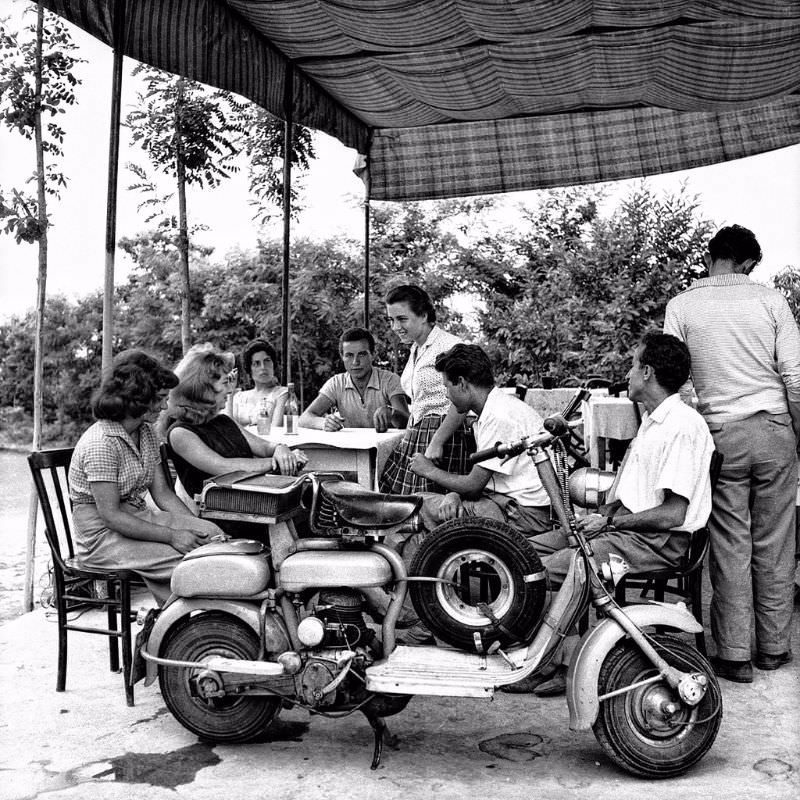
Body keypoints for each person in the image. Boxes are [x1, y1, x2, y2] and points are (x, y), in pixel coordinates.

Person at [526, 332, 714, 695]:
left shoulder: (682, 426)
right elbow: (631, 492)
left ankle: (556, 663)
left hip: (658, 541)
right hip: (630, 530)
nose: (626, 373)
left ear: (647, 372)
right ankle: (554, 655)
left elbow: (673, 514)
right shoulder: (653, 419)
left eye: (631, 365)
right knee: (526, 552)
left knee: (547, 570)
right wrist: (599, 518)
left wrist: (609, 522)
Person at [664, 225, 800, 683]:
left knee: (729, 544)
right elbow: (796, 377)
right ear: (748, 264)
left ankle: (736, 654)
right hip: (774, 428)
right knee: (775, 544)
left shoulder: (682, 306)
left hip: (719, 433)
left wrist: (702, 424)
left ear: (711, 257)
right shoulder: (769, 300)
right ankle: (775, 649)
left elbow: (676, 384)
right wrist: (794, 433)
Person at [69, 350, 224, 606]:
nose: (165, 406)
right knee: (190, 561)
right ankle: (174, 628)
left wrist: (194, 526)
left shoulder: (146, 432)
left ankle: (189, 620)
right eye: (160, 399)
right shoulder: (101, 443)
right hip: (103, 538)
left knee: (215, 539)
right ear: (137, 399)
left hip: (137, 519)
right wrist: (173, 536)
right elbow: (111, 516)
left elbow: (163, 494)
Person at [408, 343, 551, 536]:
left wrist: (429, 470)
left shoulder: (499, 417)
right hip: (511, 505)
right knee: (427, 507)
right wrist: (454, 494)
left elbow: (473, 487)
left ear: (462, 383)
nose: (447, 395)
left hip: (524, 516)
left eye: (447, 387)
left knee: (412, 507)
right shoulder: (497, 407)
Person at [162, 346, 305, 509]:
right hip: (220, 512)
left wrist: (281, 449)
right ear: (204, 388)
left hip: (250, 501)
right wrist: (276, 462)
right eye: (225, 383)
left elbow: (265, 447)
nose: (230, 390)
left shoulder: (223, 420)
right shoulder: (180, 433)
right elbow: (223, 467)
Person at [380, 284, 474, 494]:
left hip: (443, 437)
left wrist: (437, 441)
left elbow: (462, 401)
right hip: (417, 434)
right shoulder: (416, 348)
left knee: (430, 504)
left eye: (402, 319)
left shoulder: (449, 346)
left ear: (423, 315)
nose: (395, 327)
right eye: (391, 320)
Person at [299, 327, 409, 431]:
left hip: (388, 449)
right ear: (342, 357)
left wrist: (392, 413)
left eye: (362, 354)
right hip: (349, 449)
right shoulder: (336, 383)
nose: (355, 362)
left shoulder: (390, 380)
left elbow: (407, 422)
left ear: (373, 355)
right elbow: (305, 418)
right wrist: (324, 423)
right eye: (349, 355)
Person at [230, 339, 287, 429]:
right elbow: (228, 426)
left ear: (273, 364)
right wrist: (230, 390)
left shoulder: (282, 393)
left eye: (267, 361)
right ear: (250, 369)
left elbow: (276, 428)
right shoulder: (239, 397)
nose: (263, 367)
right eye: (256, 363)